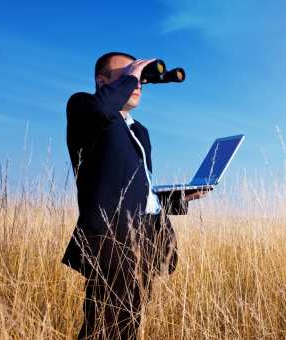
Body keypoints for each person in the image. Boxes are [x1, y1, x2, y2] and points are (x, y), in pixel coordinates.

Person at [62, 51, 207, 339]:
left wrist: (179, 197)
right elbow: (103, 110)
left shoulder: (139, 131)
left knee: (128, 324)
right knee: (103, 326)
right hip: (111, 241)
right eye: (128, 75)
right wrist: (131, 76)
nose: (137, 83)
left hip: (146, 238)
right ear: (102, 81)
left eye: (140, 79)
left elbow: (138, 189)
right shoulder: (83, 106)